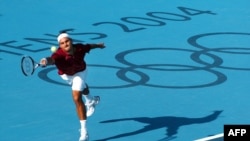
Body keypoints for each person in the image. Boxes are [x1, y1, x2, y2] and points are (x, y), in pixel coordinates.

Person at [40, 32, 105, 141]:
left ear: (71, 41)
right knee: (82, 88)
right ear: (60, 46)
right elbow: (51, 59)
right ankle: (91, 100)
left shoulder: (79, 48)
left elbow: (89, 46)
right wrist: (46, 60)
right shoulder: (58, 55)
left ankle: (84, 132)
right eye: (62, 43)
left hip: (80, 72)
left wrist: (98, 45)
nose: (65, 44)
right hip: (66, 76)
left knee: (76, 97)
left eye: (67, 41)